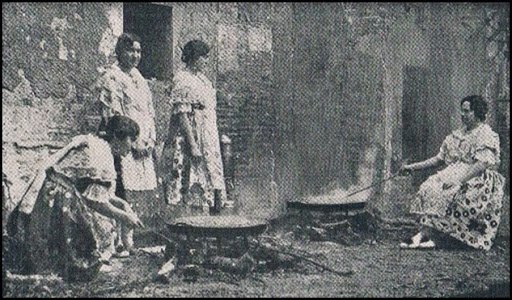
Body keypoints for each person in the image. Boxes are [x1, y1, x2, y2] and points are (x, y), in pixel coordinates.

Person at [6, 115, 144, 282]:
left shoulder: (99, 146)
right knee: (82, 228)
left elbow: (102, 195)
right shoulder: (100, 154)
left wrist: (124, 206)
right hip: (56, 193)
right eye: (131, 139)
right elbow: (95, 202)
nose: (132, 146)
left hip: (59, 189)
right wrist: (125, 217)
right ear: (117, 136)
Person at [400, 95, 505, 250]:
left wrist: (459, 181)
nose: (463, 115)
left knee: (451, 192)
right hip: (455, 173)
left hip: (477, 177)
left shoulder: (485, 134)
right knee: (429, 187)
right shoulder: (458, 134)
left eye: (467, 111)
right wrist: (412, 167)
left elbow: (481, 164)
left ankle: (437, 237)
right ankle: (425, 235)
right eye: (462, 111)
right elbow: (438, 159)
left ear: (477, 113)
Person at [95, 33, 157, 254]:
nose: (135, 56)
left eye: (138, 51)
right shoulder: (112, 77)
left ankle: (131, 238)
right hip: (124, 141)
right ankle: (119, 241)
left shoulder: (139, 78)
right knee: (120, 189)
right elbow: (114, 117)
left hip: (142, 141)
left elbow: (149, 112)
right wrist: (133, 142)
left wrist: (150, 140)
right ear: (119, 52)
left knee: (137, 191)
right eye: (130, 51)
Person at [161, 39, 230, 214]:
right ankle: (187, 217)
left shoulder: (203, 80)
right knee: (189, 174)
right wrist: (192, 145)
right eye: (203, 57)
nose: (206, 61)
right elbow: (182, 113)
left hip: (207, 131)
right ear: (192, 57)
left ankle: (205, 215)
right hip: (190, 134)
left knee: (208, 175)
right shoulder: (182, 79)